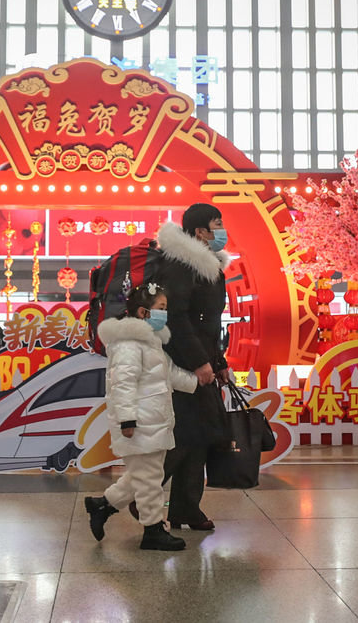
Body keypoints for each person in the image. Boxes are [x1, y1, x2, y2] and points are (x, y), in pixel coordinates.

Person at [84, 283, 198, 551]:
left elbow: (166, 374)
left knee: (144, 476)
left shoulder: (151, 341)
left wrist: (197, 381)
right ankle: (153, 529)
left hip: (154, 420)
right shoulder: (129, 343)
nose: (164, 314)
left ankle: (102, 505)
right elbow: (122, 383)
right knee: (149, 479)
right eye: (161, 308)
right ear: (143, 312)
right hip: (139, 423)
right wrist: (127, 420)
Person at [154, 203, 230, 531]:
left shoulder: (208, 267)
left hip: (202, 364)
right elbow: (175, 318)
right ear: (200, 231)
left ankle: (186, 508)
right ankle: (128, 495)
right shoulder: (181, 266)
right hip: (180, 365)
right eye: (217, 225)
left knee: (197, 435)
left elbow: (208, 324)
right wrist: (198, 362)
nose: (222, 232)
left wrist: (218, 361)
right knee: (185, 435)